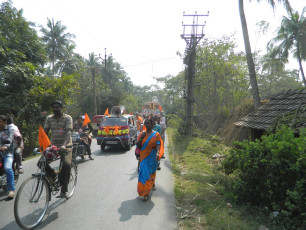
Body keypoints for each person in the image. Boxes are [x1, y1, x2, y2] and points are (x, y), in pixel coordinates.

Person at [43, 100, 73, 198]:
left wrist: (64, 145)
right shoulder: (49, 118)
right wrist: (42, 145)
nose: (55, 109)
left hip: (66, 145)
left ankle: (64, 191)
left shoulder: (67, 118)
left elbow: (68, 132)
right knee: (41, 163)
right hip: (53, 146)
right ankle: (53, 173)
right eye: (53, 107)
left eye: (57, 107)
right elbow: (45, 132)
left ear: (61, 107)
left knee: (66, 165)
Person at [136, 118, 163, 201]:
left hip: (153, 157)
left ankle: (152, 184)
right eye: (146, 123)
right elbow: (137, 145)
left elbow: (158, 144)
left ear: (152, 125)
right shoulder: (141, 134)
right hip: (143, 157)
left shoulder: (156, 135)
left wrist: (158, 153)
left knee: (151, 173)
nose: (147, 125)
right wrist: (141, 138)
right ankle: (145, 193)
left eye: (149, 123)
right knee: (144, 174)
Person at [0, 115, 15, 199]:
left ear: (5, 122)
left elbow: (9, 140)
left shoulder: (10, 129)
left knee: (7, 168)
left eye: (0, 121)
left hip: (7, 153)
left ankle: (11, 190)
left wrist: (4, 146)